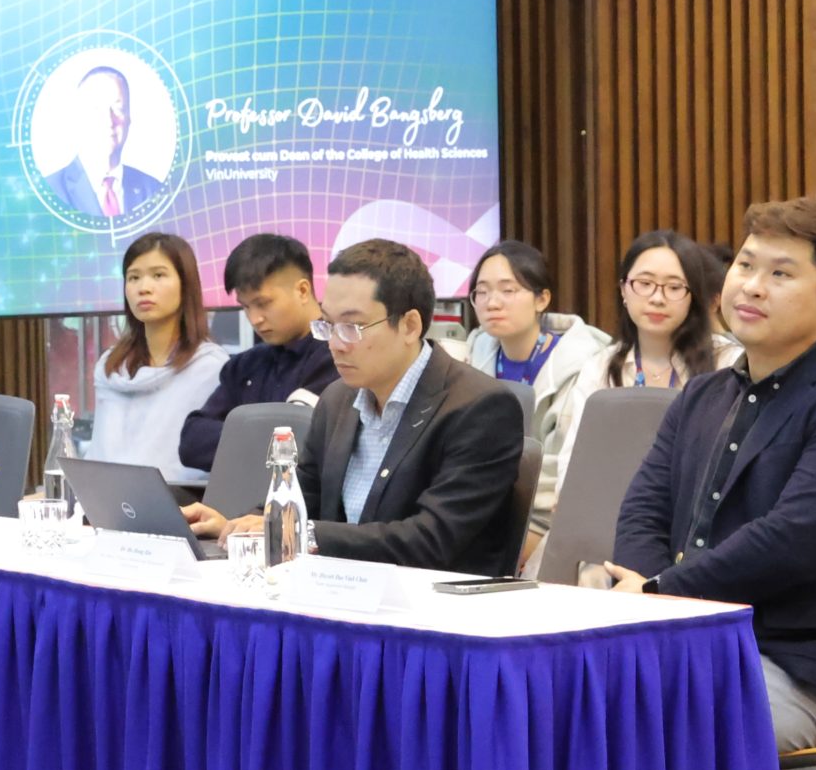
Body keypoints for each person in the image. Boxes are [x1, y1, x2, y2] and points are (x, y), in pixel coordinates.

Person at [604, 197, 816, 752]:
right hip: (680, 639)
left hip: (791, 669)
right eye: (745, 265)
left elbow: (792, 542)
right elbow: (643, 510)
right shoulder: (702, 394)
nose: (751, 286)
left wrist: (660, 593)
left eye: (780, 274)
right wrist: (650, 597)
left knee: (632, 726)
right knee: (555, 697)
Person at [183, 238, 528, 575]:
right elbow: (303, 499)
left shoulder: (480, 408)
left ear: (409, 326)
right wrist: (241, 527)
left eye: (352, 327)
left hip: (432, 602)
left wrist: (302, 534)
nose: (335, 343)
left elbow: (430, 540)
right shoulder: (337, 400)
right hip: (339, 590)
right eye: (328, 325)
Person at [544, 229, 739, 562]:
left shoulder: (728, 364)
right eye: (644, 283)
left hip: (698, 529)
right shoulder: (601, 367)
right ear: (624, 289)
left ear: (693, 295)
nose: (657, 298)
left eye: (674, 287)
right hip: (611, 521)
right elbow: (574, 460)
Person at [452, 240, 613, 543]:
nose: (492, 303)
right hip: (479, 507)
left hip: (547, 515)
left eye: (508, 290)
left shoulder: (583, 366)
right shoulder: (474, 353)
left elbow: (567, 466)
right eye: (481, 292)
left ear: (542, 299)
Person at [177, 233, 340, 473]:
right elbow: (192, 442)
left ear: (303, 290)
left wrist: (241, 436)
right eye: (245, 306)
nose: (254, 319)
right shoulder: (244, 365)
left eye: (263, 303)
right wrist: (268, 438)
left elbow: (304, 445)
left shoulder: (339, 356)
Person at [81, 232, 230, 485]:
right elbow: (99, 454)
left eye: (158, 275)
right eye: (134, 277)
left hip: (182, 502)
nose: (144, 288)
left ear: (185, 284)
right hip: (104, 499)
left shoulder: (211, 368)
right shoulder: (111, 367)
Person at [46, 65, 162, 218]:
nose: (108, 120)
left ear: (129, 118)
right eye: (96, 109)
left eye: (118, 109)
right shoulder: (50, 193)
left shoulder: (154, 190)